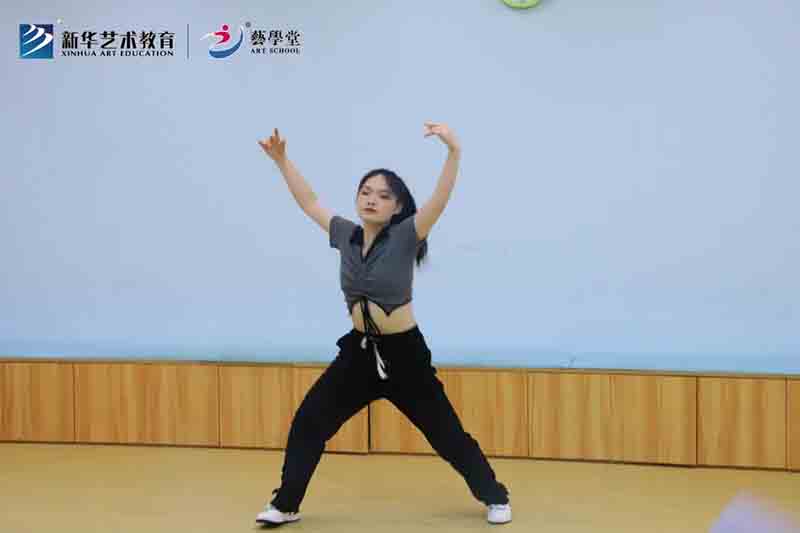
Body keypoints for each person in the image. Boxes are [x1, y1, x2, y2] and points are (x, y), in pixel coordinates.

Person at [254, 122, 511, 526]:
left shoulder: (407, 235)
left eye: (383, 195)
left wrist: (453, 152)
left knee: (447, 436)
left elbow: (439, 201)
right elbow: (310, 202)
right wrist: (283, 161)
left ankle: (495, 496)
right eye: (366, 192)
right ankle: (286, 504)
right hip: (359, 353)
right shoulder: (345, 234)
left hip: (404, 356)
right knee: (309, 422)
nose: (372, 199)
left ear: (397, 207)